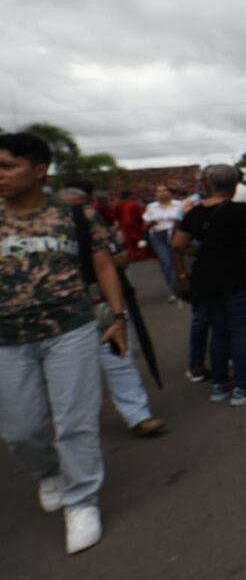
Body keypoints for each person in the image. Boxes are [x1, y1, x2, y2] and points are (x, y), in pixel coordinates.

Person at [0, 133, 129, 554]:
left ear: (40, 171)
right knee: (21, 429)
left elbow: (103, 266)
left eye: (7, 166)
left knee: (75, 420)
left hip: (70, 331)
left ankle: (81, 499)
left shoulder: (74, 216)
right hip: (7, 339)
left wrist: (118, 317)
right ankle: (48, 473)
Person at [58, 187, 166, 438]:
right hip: (62, 311)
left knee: (118, 357)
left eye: (82, 205)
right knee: (72, 370)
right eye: (73, 206)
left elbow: (117, 256)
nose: (80, 211)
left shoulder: (91, 222)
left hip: (100, 302)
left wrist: (118, 263)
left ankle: (138, 416)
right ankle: (80, 423)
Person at [171, 164, 246, 406]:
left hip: (205, 279)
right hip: (237, 277)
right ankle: (243, 388)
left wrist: (189, 266)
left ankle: (219, 386)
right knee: (240, 331)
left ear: (208, 184)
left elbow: (176, 245)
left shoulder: (194, 213)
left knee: (219, 332)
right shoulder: (244, 211)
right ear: (235, 185)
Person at [142, 184, 184, 300]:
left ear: (170, 192)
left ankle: (184, 284)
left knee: (180, 260)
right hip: (158, 235)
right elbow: (146, 222)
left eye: (164, 190)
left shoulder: (179, 204)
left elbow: (185, 218)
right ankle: (173, 290)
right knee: (167, 262)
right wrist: (151, 223)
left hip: (175, 234)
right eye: (158, 191)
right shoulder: (151, 206)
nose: (161, 193)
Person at [113, 190, 148, 262]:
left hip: (124, 225)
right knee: (140, 240)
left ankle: (132, 257)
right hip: (136, 225)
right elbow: (141, 215)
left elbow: (116, 215)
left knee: (128, 242)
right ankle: (142, 256)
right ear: (130, 196)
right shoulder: (135, 204)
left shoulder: (119, 205)